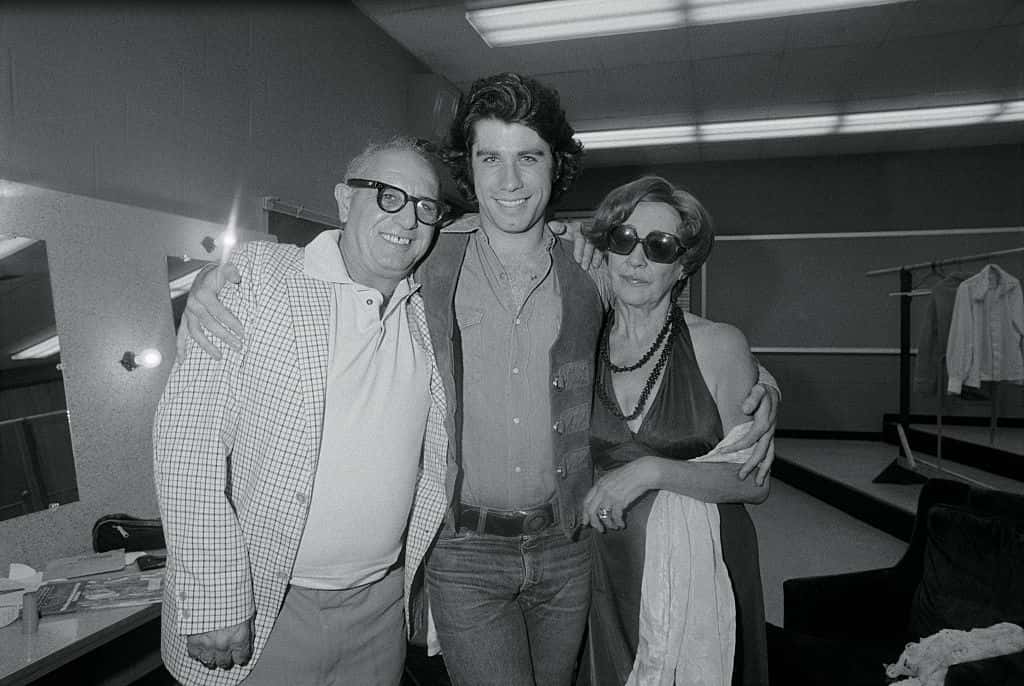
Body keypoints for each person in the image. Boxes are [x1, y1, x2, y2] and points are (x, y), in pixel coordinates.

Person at [177, 73, 779, 685]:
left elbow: (657, 321)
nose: (509, 181)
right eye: (489, 157)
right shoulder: (429, 256)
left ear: (556, 166)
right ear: (469, 167)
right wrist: (227, 274)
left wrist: (760, 383)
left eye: (529, 158)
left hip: (568, 550)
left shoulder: (589, 267)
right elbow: (349, 253)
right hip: (466, 554)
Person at [153, 136, 451, 686]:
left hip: (381, 610)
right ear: (343, 200)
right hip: (266, 604)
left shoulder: (426, 313)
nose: (407, 219)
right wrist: (216, 596)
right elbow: (187, 443)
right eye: (388, 195)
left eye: (425, 207)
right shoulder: (259, 278)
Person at [576, 176, 771, 685]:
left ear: (683, 265)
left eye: (659, 246)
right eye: (623, 239)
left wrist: (651, 471)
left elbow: (753, 481)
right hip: (606, 567)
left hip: (705, 569)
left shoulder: (717, 344)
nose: (637, 259)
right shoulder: (578, 340)